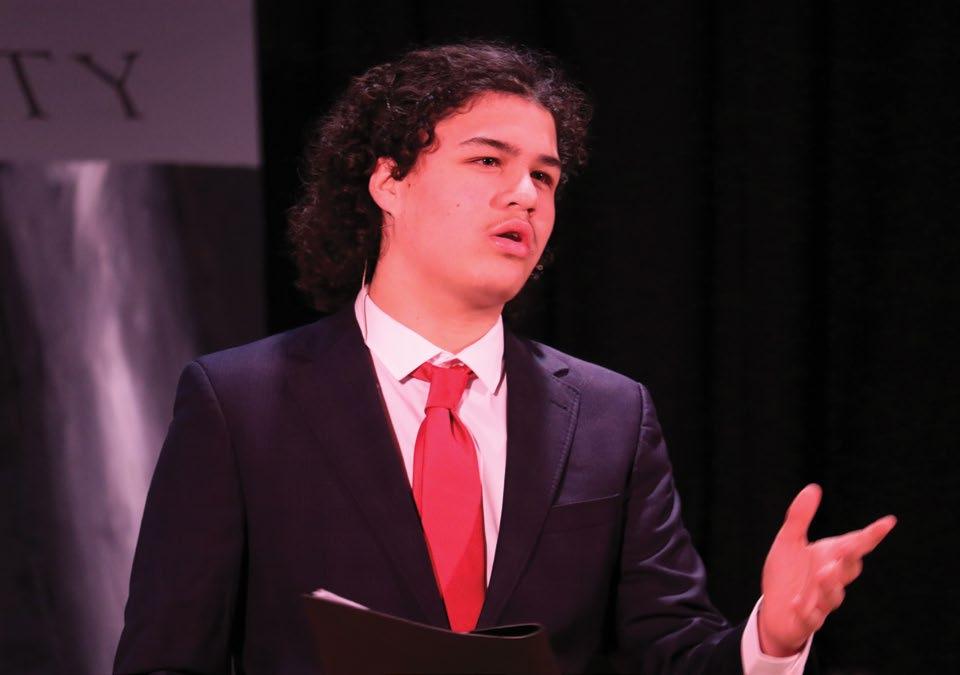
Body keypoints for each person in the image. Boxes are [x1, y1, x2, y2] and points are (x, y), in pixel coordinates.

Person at [114, 42, 895, 674]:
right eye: (489, 161)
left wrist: (772, 638)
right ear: (388, 181)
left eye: (544, 176)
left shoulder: (611, 416)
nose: (525, 193)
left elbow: (675, 651)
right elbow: (166, 658)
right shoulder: (240, 402)